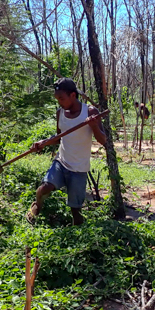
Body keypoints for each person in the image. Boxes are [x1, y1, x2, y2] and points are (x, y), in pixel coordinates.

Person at [29, 78, 107, 226]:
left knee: (75, 210)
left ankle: (76, 236)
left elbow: (103, 140)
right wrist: (43, 143)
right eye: (57, 98)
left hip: (79, 167)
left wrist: (94, 126)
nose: (59, 102)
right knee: (43, 189)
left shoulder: (90, 111)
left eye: (61, 98)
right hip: (61, 161)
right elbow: (59, 137)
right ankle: (37, 206)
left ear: (72, 95)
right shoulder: (60, 113)